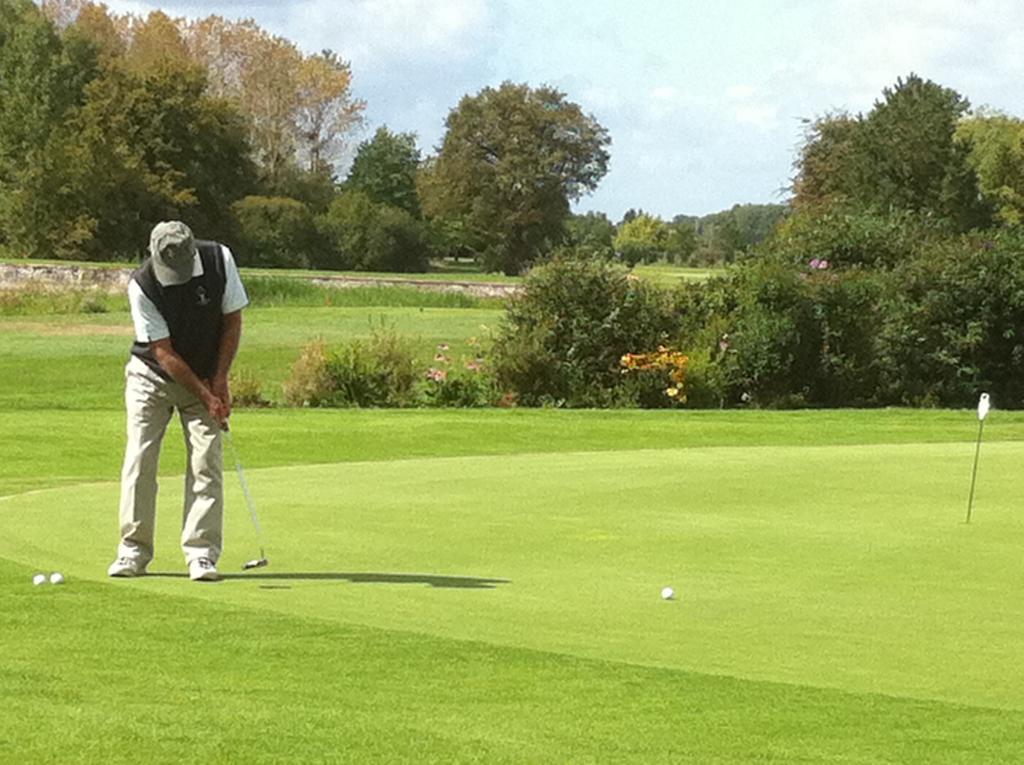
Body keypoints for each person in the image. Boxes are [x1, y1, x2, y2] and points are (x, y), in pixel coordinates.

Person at [108, 221, 248, 582]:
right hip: (151, 376)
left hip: (204, 372)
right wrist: (207, 395)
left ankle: (201, 554)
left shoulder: (219, 260)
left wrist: (219, 381)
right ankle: (132, 551)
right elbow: (163, 352)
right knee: (140, 458)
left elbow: (232, 321)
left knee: (206, 462)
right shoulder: (142, 284)